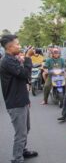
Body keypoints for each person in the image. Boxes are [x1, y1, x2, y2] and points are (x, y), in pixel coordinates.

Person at [0, 35, 38, 163]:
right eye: (17, 44)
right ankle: (17, 159)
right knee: (20, 133)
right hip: (15, 103)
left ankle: (22, 151)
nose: (20, 46)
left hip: (21, 100)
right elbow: (26, 74)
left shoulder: (12, 59)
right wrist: (28, 57)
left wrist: (27, 100)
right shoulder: (7, 61)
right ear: (10, 47)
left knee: (26, 129)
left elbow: (22, 79)